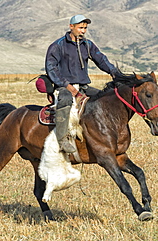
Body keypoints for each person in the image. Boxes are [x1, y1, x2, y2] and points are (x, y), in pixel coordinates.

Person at [45, 14, 118, 153]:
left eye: (85, 28)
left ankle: (102, 135)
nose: (83, 31)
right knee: (65, 100)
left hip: (83, 86)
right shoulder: (58, 46)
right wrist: (68, 86)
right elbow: (51, 68)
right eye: (80, 28)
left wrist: (115, 73)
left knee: (105, 98)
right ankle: (62, 139)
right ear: (71, 27)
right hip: (63, 87)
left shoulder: (88, 45)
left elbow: (101, 60)